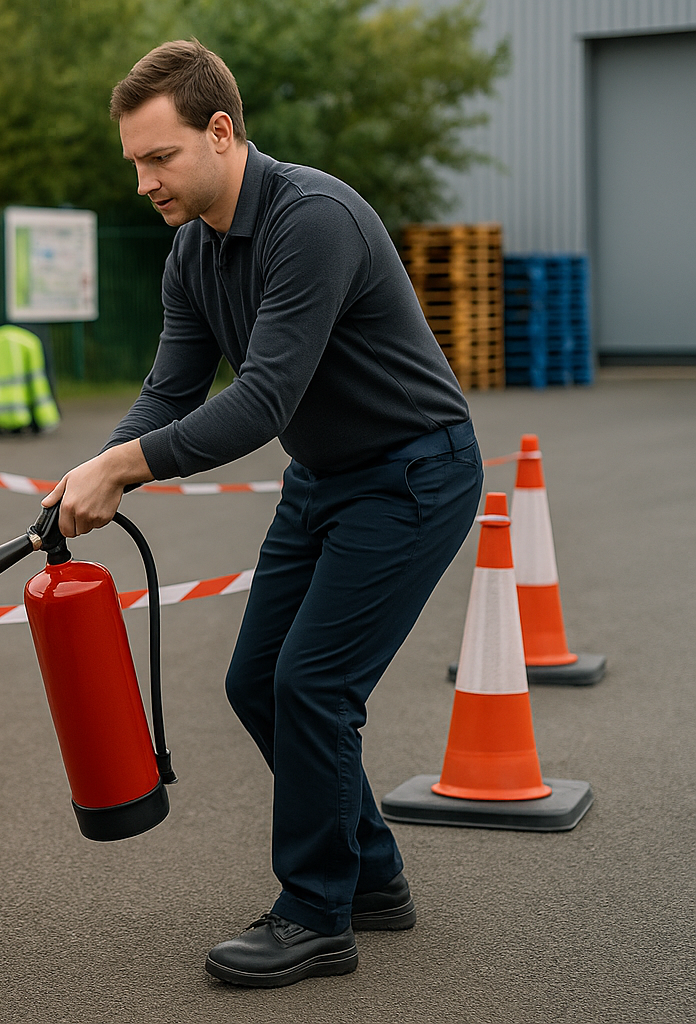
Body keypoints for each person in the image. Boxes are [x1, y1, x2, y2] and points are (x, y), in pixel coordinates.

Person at [42, 41, 484, 988]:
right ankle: (373, 877)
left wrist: (121, 468)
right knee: (256, 681)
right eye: (134, 162)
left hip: (414, 473)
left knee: (314, 685)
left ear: (220, 131)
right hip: (324, 479)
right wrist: (95, 469)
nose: (143, 182)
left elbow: (263, 400)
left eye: (159, 158)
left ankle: (317, 914)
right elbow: (171, 392)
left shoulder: (312, 220)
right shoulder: (193, 252)